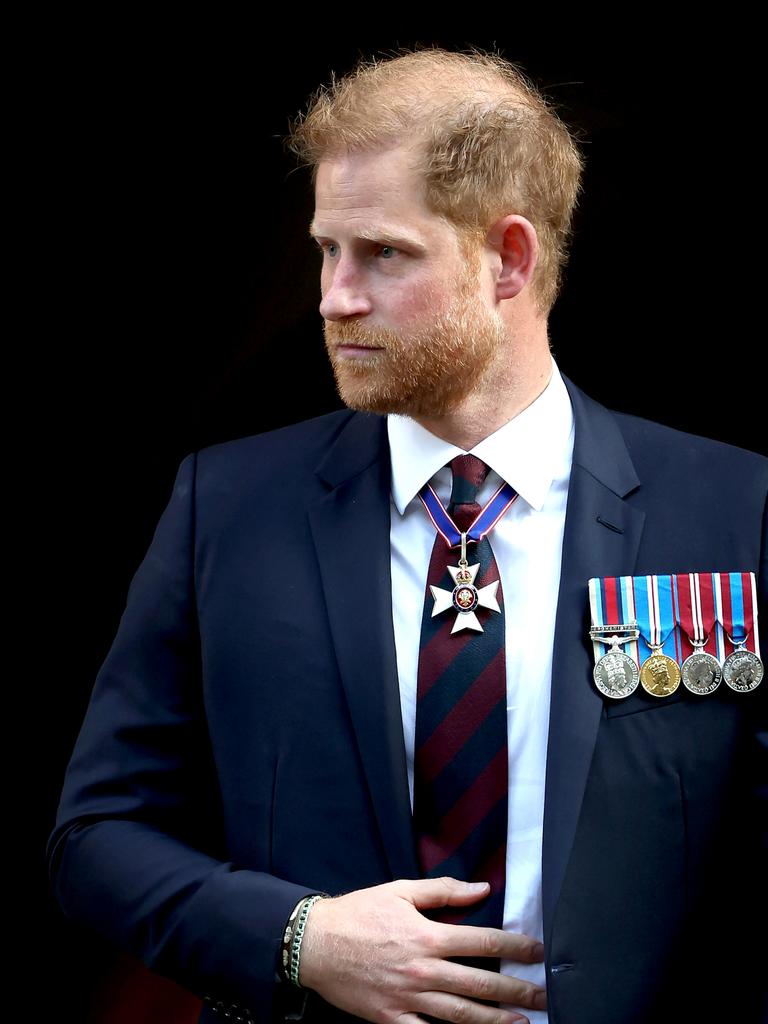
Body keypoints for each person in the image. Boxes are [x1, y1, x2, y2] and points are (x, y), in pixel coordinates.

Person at [47, 46, 767, 1024]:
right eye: (326, 250)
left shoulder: (726, 506)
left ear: (507, 260)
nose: (334, 296)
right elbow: (95, 834)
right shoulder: (229, 506)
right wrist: (300, 936)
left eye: (382, 253)